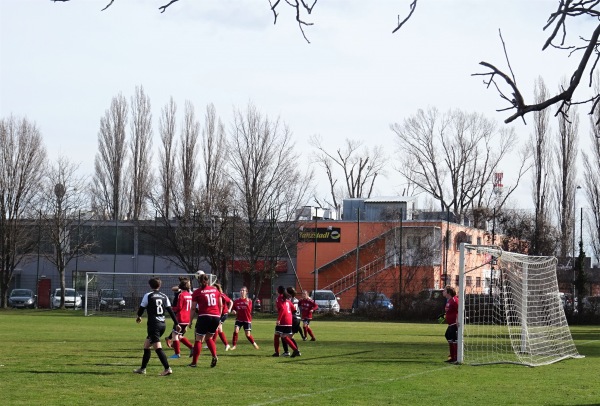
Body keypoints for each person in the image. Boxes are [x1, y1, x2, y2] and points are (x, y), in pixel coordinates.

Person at [133, 277, 180, 376]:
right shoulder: (164, 296)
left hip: (153, 325)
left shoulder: (148, 295)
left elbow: (142, 308)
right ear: (160, 285)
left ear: (150, 286)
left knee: (157, 347)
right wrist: (177, 323)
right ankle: (142, 369)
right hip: (162, 324)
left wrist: (139, 316)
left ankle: (167, 368)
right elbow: (170, 311)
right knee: (146, 346)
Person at [189, 273, 222, 368]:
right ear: (207, 281)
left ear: (199, 281)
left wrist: (190, 320)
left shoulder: (197, 292)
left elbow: (193, 308)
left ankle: (194, 363)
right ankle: (214, 355)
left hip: (204, 316)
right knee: (209, 338)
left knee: (198, 339)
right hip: (215, 316)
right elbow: (220, 305)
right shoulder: (215, 290)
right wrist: (218, 316)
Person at [169, 279, 194, 358]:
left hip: (180, 318)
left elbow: (179, 307)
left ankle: (177, 354)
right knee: (179, 336)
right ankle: (192, 348)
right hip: (187, 318)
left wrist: (172, 308)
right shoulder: (189, 295)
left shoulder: (181, 295)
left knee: (174, 335)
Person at [272, 285, 300, 358]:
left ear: (278, 291)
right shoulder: (287, 299)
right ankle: (295, 350)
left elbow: (282, 309)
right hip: (289, 320)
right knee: (284, 336)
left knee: (276, 336)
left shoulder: (279, 298)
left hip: (283, 320)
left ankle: (277, 352)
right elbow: (294, 309)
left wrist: (279, 319)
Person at [166, 276, 189, 349]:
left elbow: (179, 307)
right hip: (184, 314)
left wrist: (170, 308)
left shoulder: (183, 294)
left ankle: (174, 343)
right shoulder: (183, 293)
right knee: (178, 332)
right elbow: (173, 288)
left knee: (177, 333)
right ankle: (175, 342)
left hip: (181, 313)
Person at [280, 286, 303, 356]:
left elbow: (289, 310)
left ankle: (288, 352)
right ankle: (297, 351)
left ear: (288, 293)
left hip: (293, 319)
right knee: (290, 337)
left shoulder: (289, 300)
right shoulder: (296, 299)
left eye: (286, 291)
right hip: (298, 319)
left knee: (284, 336)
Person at [212, 283, 233, 351]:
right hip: (218, 314)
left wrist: (229, 309)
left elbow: (231, 301)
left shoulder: (221, 295)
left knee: (216, 327)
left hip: (224, 314)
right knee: (219, 329)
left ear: (218, 289)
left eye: (215, 288)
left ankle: (213, 343)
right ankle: (226, 344)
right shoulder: (214, 296)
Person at [442, 285, 459, 363]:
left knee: (454, 339)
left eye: (444, 290)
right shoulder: (449, 300)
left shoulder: (455, 300)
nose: (443, 292)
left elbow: (459, 310)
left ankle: (456, 357)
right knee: (448, 336)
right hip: (450, 324)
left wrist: (457, 320)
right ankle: (452, 356)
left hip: (454, 324)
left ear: (448, 292)